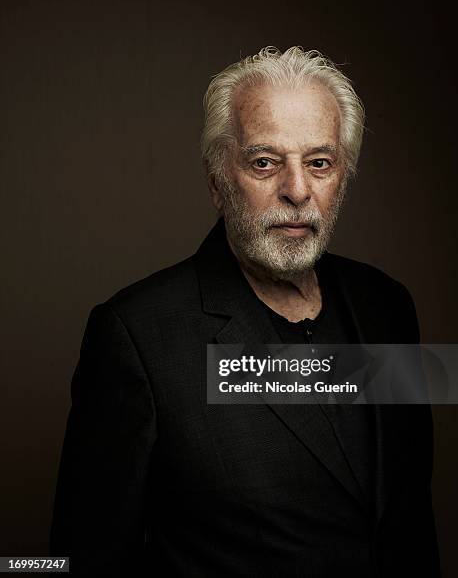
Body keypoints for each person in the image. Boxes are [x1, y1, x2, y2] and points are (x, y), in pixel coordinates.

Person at [50, 47, 440, 576]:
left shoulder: (389, 307)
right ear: (218, 181)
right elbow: (81, 562)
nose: (297, 191)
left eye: (319, 163)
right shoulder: (137, 336)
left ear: (342, 177)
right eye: (265, 162)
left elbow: (409, 518)